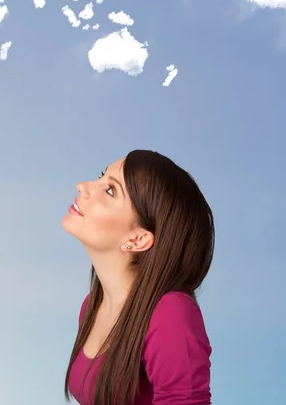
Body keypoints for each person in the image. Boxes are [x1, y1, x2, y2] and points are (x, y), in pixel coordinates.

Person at [62, 150, 214, 405]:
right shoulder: (92, 306)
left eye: (110, 190)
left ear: (138, 239)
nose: (83, 186)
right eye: (102, 177)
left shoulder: (170, 314)